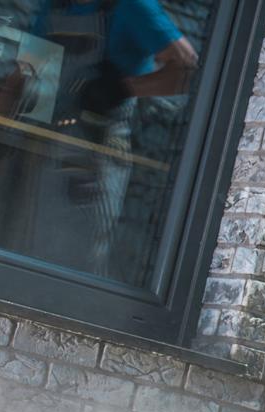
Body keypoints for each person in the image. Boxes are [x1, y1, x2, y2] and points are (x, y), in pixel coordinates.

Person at [33, 0, 197, 278]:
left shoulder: (132, 7)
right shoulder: (56, 7)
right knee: (36, 250)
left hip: (98, 152)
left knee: (79, 258)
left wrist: (123, 88)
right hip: (50, 144)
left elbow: (187, 68)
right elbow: (25, 67)